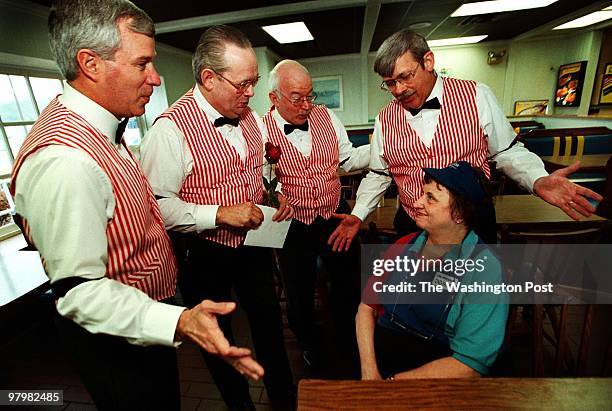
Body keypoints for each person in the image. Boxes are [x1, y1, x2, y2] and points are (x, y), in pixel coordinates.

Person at [9, 1, 262, 410]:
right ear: (90, 63)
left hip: (140, 322)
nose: (156, 78)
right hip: (115, 344)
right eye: (142, 64)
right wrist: (178, 319)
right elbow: (77, 291)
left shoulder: (102, 127)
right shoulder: (66, 159)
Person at [329, 29, 603, 250]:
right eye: (390, 83)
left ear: (428, 61)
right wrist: (359, 213)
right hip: (416, 225)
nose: (398, 90)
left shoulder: (476, 95)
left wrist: (537, 179)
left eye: (405, 77)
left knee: (475, 304)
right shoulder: (385, 117)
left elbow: (506, 151)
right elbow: (379, 173)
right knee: (424, 305)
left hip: (472, 224)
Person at [140, 25, 295, 410]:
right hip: (204, 256)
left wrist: (274, 196)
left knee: (270, 330)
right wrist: (218, 214)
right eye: (243, 84)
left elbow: (252, 171)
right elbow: (157, 206)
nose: (251, 94)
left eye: (254, 83)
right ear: (208, 78)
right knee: (219, 342)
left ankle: (286, 400)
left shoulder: (251, 118)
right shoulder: (169, 131)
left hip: (255, 248)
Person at [262, 60, 370, 368]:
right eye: (297, 98)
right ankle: (309, 343)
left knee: (349, 281)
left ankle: (351, 339)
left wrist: (385, 149)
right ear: (274, 98)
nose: (307, 105)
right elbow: (256, 175)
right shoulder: (257, 128)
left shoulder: (327, 117)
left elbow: (347, 158)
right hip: (292, 223)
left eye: (311, 96)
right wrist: (275, 191)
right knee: (298, 290)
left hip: (334, 214)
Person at [356, 161, 508, 379]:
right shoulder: (404, 245)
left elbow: (469, 365)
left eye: (431, 198)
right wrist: (369, 372)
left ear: (460, 214)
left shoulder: (484, 270)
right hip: (381, 360)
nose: (416, 203)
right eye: (422, 193)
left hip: (437, 375)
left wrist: (391, 385)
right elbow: (366, 308)